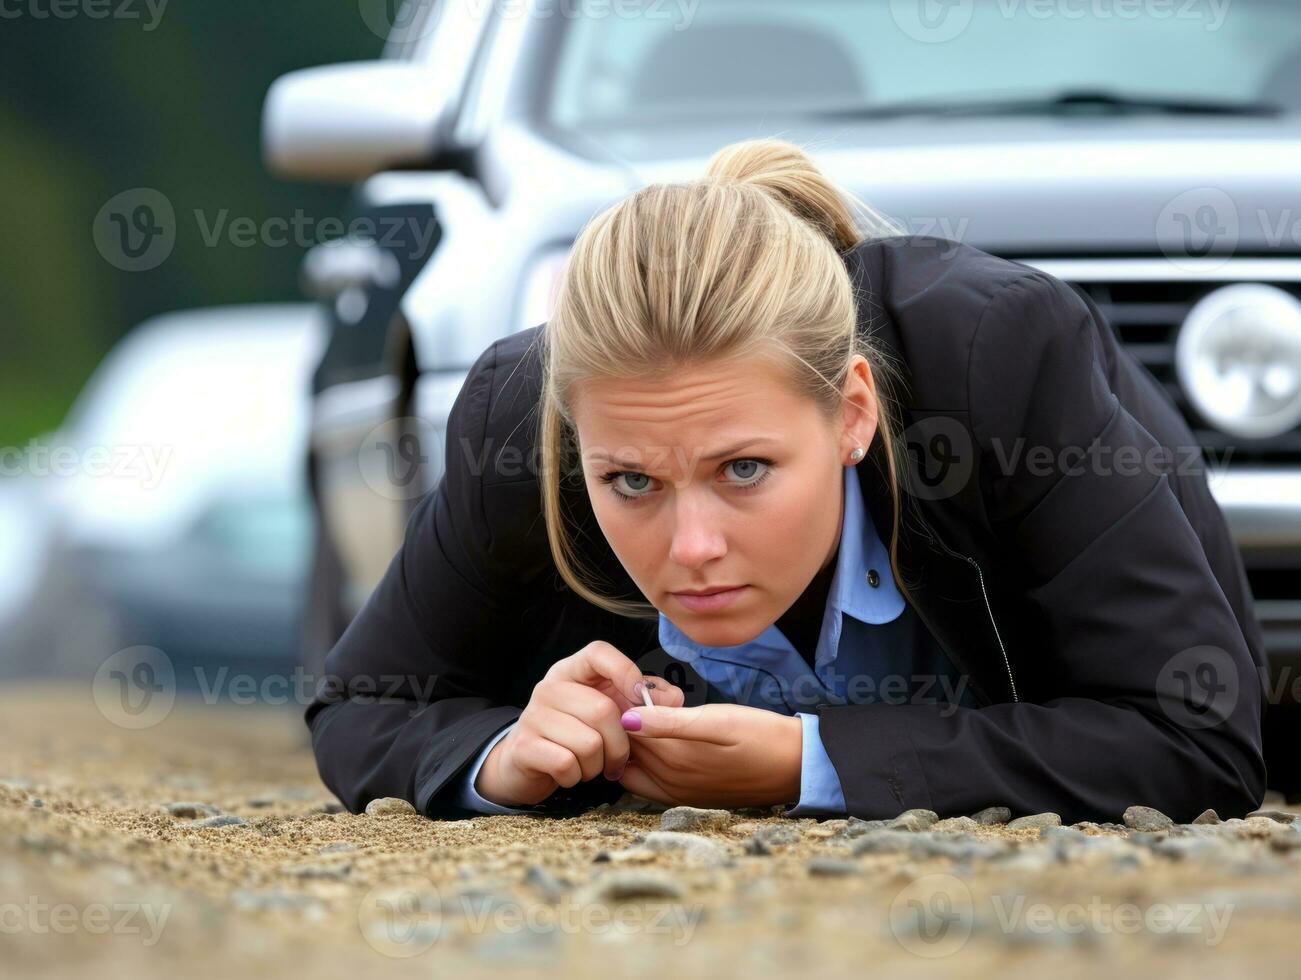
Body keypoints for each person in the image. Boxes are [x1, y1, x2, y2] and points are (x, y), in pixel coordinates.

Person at [305, 138, 1268, 823]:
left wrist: (810, 763)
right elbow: (361, 704)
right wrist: (505, 753)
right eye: (631, 482)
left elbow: (1194, 739)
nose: (692, 549)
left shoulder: (1003, 363)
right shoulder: (522, 415)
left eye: (745, 469)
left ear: (851, 412)